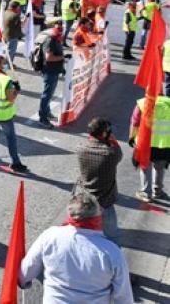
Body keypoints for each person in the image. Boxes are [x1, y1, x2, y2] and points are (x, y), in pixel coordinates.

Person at [18, 192, 133, 303]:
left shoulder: (49, 236)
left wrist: (24, 283)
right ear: (97, 217)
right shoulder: (111, 252)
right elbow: (124, 296)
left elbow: (26, 271)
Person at [75, 117, 123, 245]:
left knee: (84, 234)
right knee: (113, 237)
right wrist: (111, 139)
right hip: (104, 202)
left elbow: (90, 141)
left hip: (85, 199)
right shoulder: (112, 153)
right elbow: (118, 150)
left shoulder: (80, 149)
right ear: (103, 134)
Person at [0, 55, 28, 172]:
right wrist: (16, 90)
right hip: (4, 114)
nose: (5, 66)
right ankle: (15, 163)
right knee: (11, 139)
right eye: (4, 63)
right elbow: (10, 98)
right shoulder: (6, 80)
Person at [129, 95, 170, 202]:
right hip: (163, 143)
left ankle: (145, 192)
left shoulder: (142, 103)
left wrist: (131, 137)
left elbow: (135, 122)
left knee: (145, 166)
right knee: (159, 167)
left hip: (145, 143)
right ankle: (158, 191)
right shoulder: (168, 103)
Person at [38, 19, 65, 129]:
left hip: (54, 70)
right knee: (47, 94)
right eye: (58, 27)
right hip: (49, 71)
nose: (61, 29)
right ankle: (42, 118)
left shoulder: (57, 38)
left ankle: (47, 112)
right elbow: (49, 57)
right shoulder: (50, 40)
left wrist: (62, 67)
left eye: (61, 27)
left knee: (50, 93)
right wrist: (62, 57)